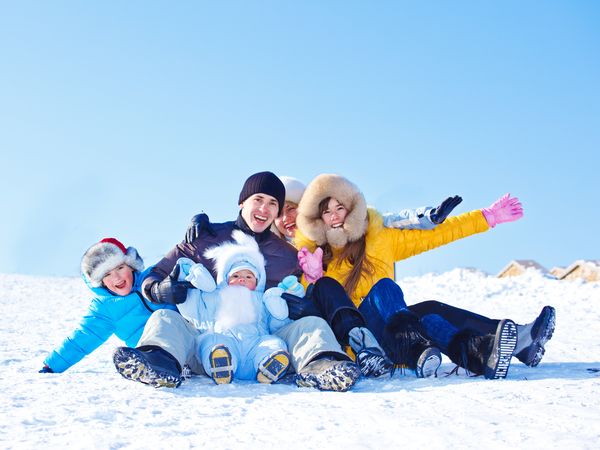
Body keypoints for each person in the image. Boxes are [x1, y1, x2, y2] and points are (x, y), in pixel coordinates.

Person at [113, 171, 361, 391]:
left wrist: (307, 307)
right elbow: (156, 273)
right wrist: (158, 289)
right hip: (207, 341)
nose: (264, 209)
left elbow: (297, 294)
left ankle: (322, 365)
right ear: (242, 202)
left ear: (277, 211)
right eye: (258, 200)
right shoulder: (206, 237)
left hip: (265, 341)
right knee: (164, 318)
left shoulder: (286, 255)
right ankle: (160, 361)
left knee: (312, 323)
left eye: (273, 203)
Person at [292, 174, 554, 380]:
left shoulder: (379, 239)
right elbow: (313, 308)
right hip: (364, 345)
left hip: (394, 334)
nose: (335, 215)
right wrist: (312, 277)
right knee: (384, 289)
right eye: (327, 211)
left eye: (340, 207)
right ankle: (416, 345)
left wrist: (486, 218)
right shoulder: (316, 255)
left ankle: (495, 349)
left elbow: (435, 235)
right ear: (319, 219)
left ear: (352, 208)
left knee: (429, 312)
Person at [39, 238, 176, 375]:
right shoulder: (105, 308)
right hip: (163, 355)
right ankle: (155, 367)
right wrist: (51, 366)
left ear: (131, 266)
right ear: (101, 281)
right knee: (160, 321)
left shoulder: (153, 277)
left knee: (165, 316)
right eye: (107, 274)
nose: (116, 278)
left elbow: (183, 258)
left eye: (120, 268)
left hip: (192, 338)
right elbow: (82, 338)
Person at [174, 230, 291, 385]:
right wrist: (191, 274)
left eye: (248, 277)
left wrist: (278, 310)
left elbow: (276, 326)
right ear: (225, 279)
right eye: (235, 276)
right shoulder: (216, 295)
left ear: (258, 282)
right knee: (210, 340)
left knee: (274, 342)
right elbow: (193, 310)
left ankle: (268, 366)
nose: (242, 279)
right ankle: (221, 365)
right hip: (226, 343)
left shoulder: (262, 299)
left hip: (255, 346)